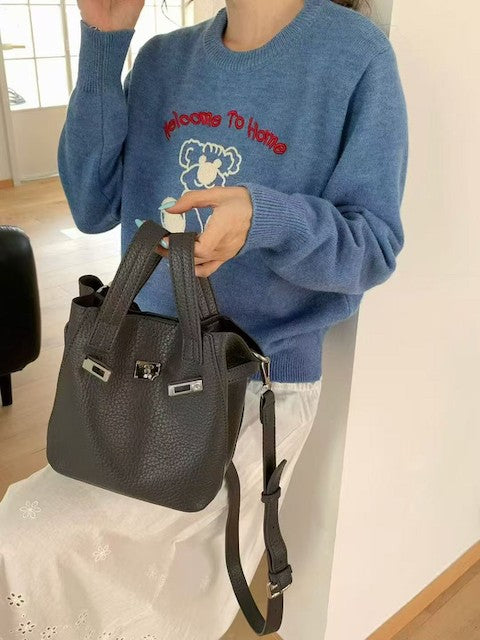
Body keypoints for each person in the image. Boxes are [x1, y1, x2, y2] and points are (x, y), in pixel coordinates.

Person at [0, 0, 408, 637]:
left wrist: (262, 219)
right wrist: (104, 42)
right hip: (136, 371)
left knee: (43, 545)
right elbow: (90, 204)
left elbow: (372, 247)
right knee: (37, 543)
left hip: (255, 387)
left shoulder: (355, 57)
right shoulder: (162, 58)